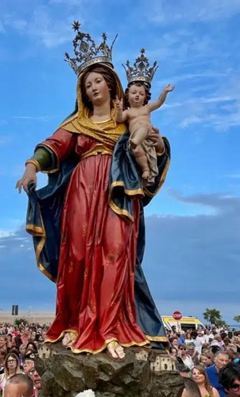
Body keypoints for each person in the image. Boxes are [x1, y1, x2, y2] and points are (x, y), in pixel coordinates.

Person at [16, 22, 171, 359]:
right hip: (82, 191)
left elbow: (150, 148)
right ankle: (73, 322)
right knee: (77, 256)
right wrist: (32, 166)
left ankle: (113, 326)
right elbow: (54, 146)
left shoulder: (126, 119)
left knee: (116, 254)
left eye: (98, 80)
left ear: (110, 83)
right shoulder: (76, 125)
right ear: (82, 92)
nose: (93, 87)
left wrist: (158, 147)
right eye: (87, 84)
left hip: (118, 194)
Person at [115, 50, 174, 185]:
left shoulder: (146, 109)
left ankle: (136, 141)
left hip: (146, 133)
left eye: (141, 94)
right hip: (135, 139)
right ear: (127, 96)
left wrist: (165, 92)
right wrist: (119, 109)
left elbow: (159, 102)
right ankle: (145, 169)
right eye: (134, 93)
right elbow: (119, 119)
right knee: (136, 151)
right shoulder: (128, 112)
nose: (137, 95)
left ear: (145, 97)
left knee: (144, 126)